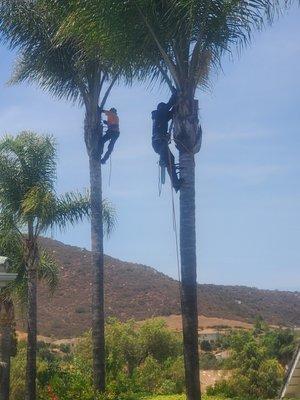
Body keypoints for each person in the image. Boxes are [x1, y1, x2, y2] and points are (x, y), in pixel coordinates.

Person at [152, 89, 181, 192]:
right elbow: (170, 105)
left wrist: (177, 104)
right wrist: (175, 94)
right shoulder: (160, 113)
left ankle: (176, 184)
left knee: (170, 159)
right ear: (162, 108)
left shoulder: (160, 117)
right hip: (159, 142)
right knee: (169, 159)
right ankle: (176, 183)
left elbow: (172, 112)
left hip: (158, 143)